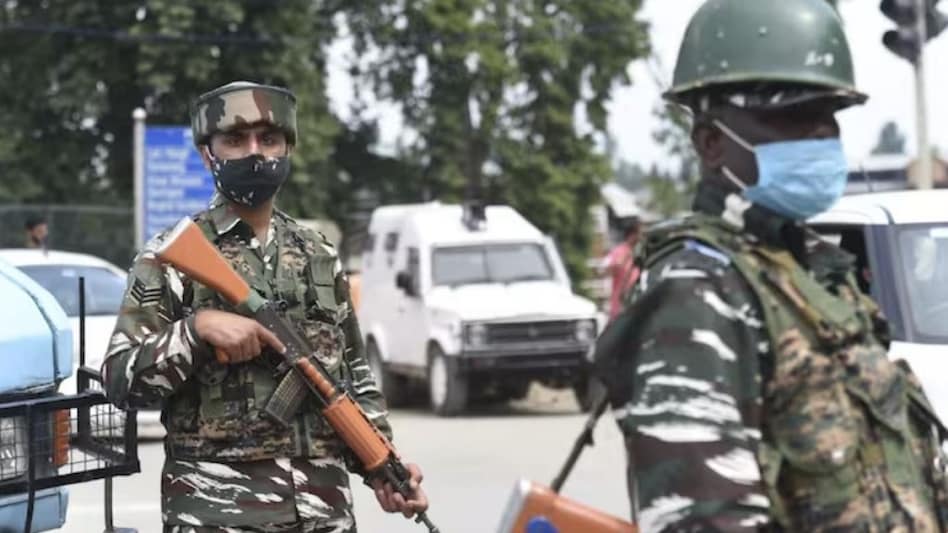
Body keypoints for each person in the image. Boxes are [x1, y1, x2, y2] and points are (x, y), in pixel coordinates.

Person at [593, 1, 948, 531]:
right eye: (792, 117)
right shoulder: (697, 295)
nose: (821, 134)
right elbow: (705, 521)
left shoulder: (819, 279)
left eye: (828, 115)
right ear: (711, 142)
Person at [102, 81, 428, 532]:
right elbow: (120, 381)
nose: (255, 153)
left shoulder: (318, 254)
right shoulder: (171, 257)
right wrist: (195, 331)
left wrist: (382, 466)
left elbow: (353, 378)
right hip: (217, 514)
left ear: (288, 148)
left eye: (269, 139)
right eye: (236, 139)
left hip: (323, 513)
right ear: (207, 155)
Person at [604, 218, 642, 320]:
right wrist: (624, 258)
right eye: (639, 233)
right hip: (621, 305)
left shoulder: (637, 251)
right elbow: (609, 270)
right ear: (632, 234)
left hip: (634, 303)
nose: (641, 237)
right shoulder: (619, 251)